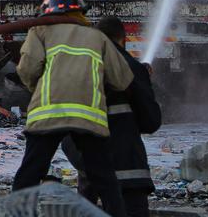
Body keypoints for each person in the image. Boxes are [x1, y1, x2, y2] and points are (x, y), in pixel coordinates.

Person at [13, 0, 135, 217]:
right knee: (103, 175)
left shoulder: (39, 31)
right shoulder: (97, 36)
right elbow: (122, 79)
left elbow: (28, 69)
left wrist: (37, 89)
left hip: (48, 113)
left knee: (30, 172)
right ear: (80, 11)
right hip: (88, 117)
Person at [64, 17, 162, 217]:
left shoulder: (77, 70)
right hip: (128, 175)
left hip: (90, 174)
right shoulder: (132, 68)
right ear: (123, 40)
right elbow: (151, 121)